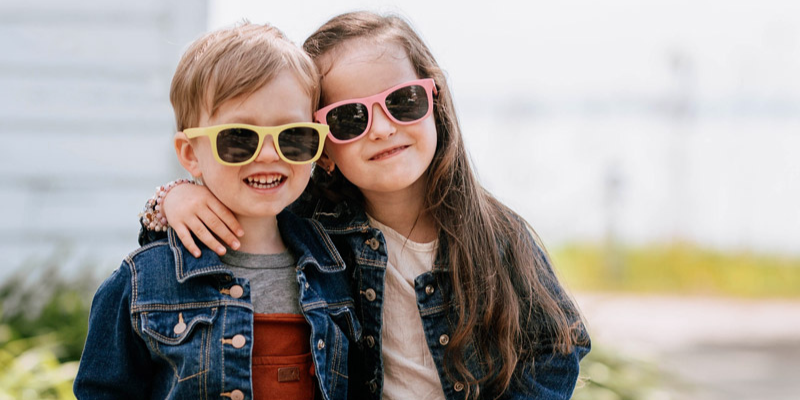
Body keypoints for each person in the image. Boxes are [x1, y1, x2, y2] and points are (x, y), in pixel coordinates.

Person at [138, 11, 590, 400]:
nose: (380, 128)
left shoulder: (495, 234)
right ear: (321, 148)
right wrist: (174, 195)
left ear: (435, 102)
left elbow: (558, 345)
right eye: (349, 118)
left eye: (402, 102)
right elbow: (235, 215)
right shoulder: (314, 233)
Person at [74, 22, 359, 400]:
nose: (270, 154)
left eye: (294, 136)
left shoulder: (337, 266)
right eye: (240, 138)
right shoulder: (143, 280)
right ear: (191, 154)